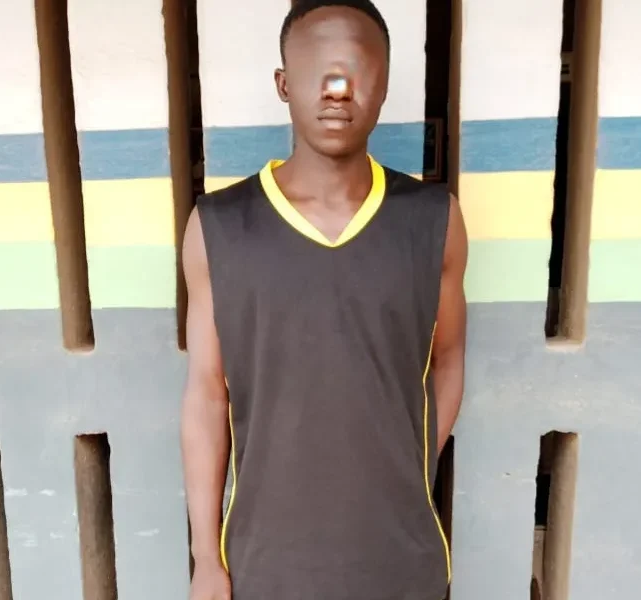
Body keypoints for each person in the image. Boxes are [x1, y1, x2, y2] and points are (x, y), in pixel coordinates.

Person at [180, 0, 468, 598]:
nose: (338, 89)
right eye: (318, 68)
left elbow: (447, 362)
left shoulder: (433, 221)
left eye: (356, 69)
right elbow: (207, 396)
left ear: (382, 87)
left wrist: (402, 464)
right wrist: (206, 557)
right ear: (284, 84)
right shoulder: (220, 228)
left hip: (400, 563)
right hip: (266, 566)